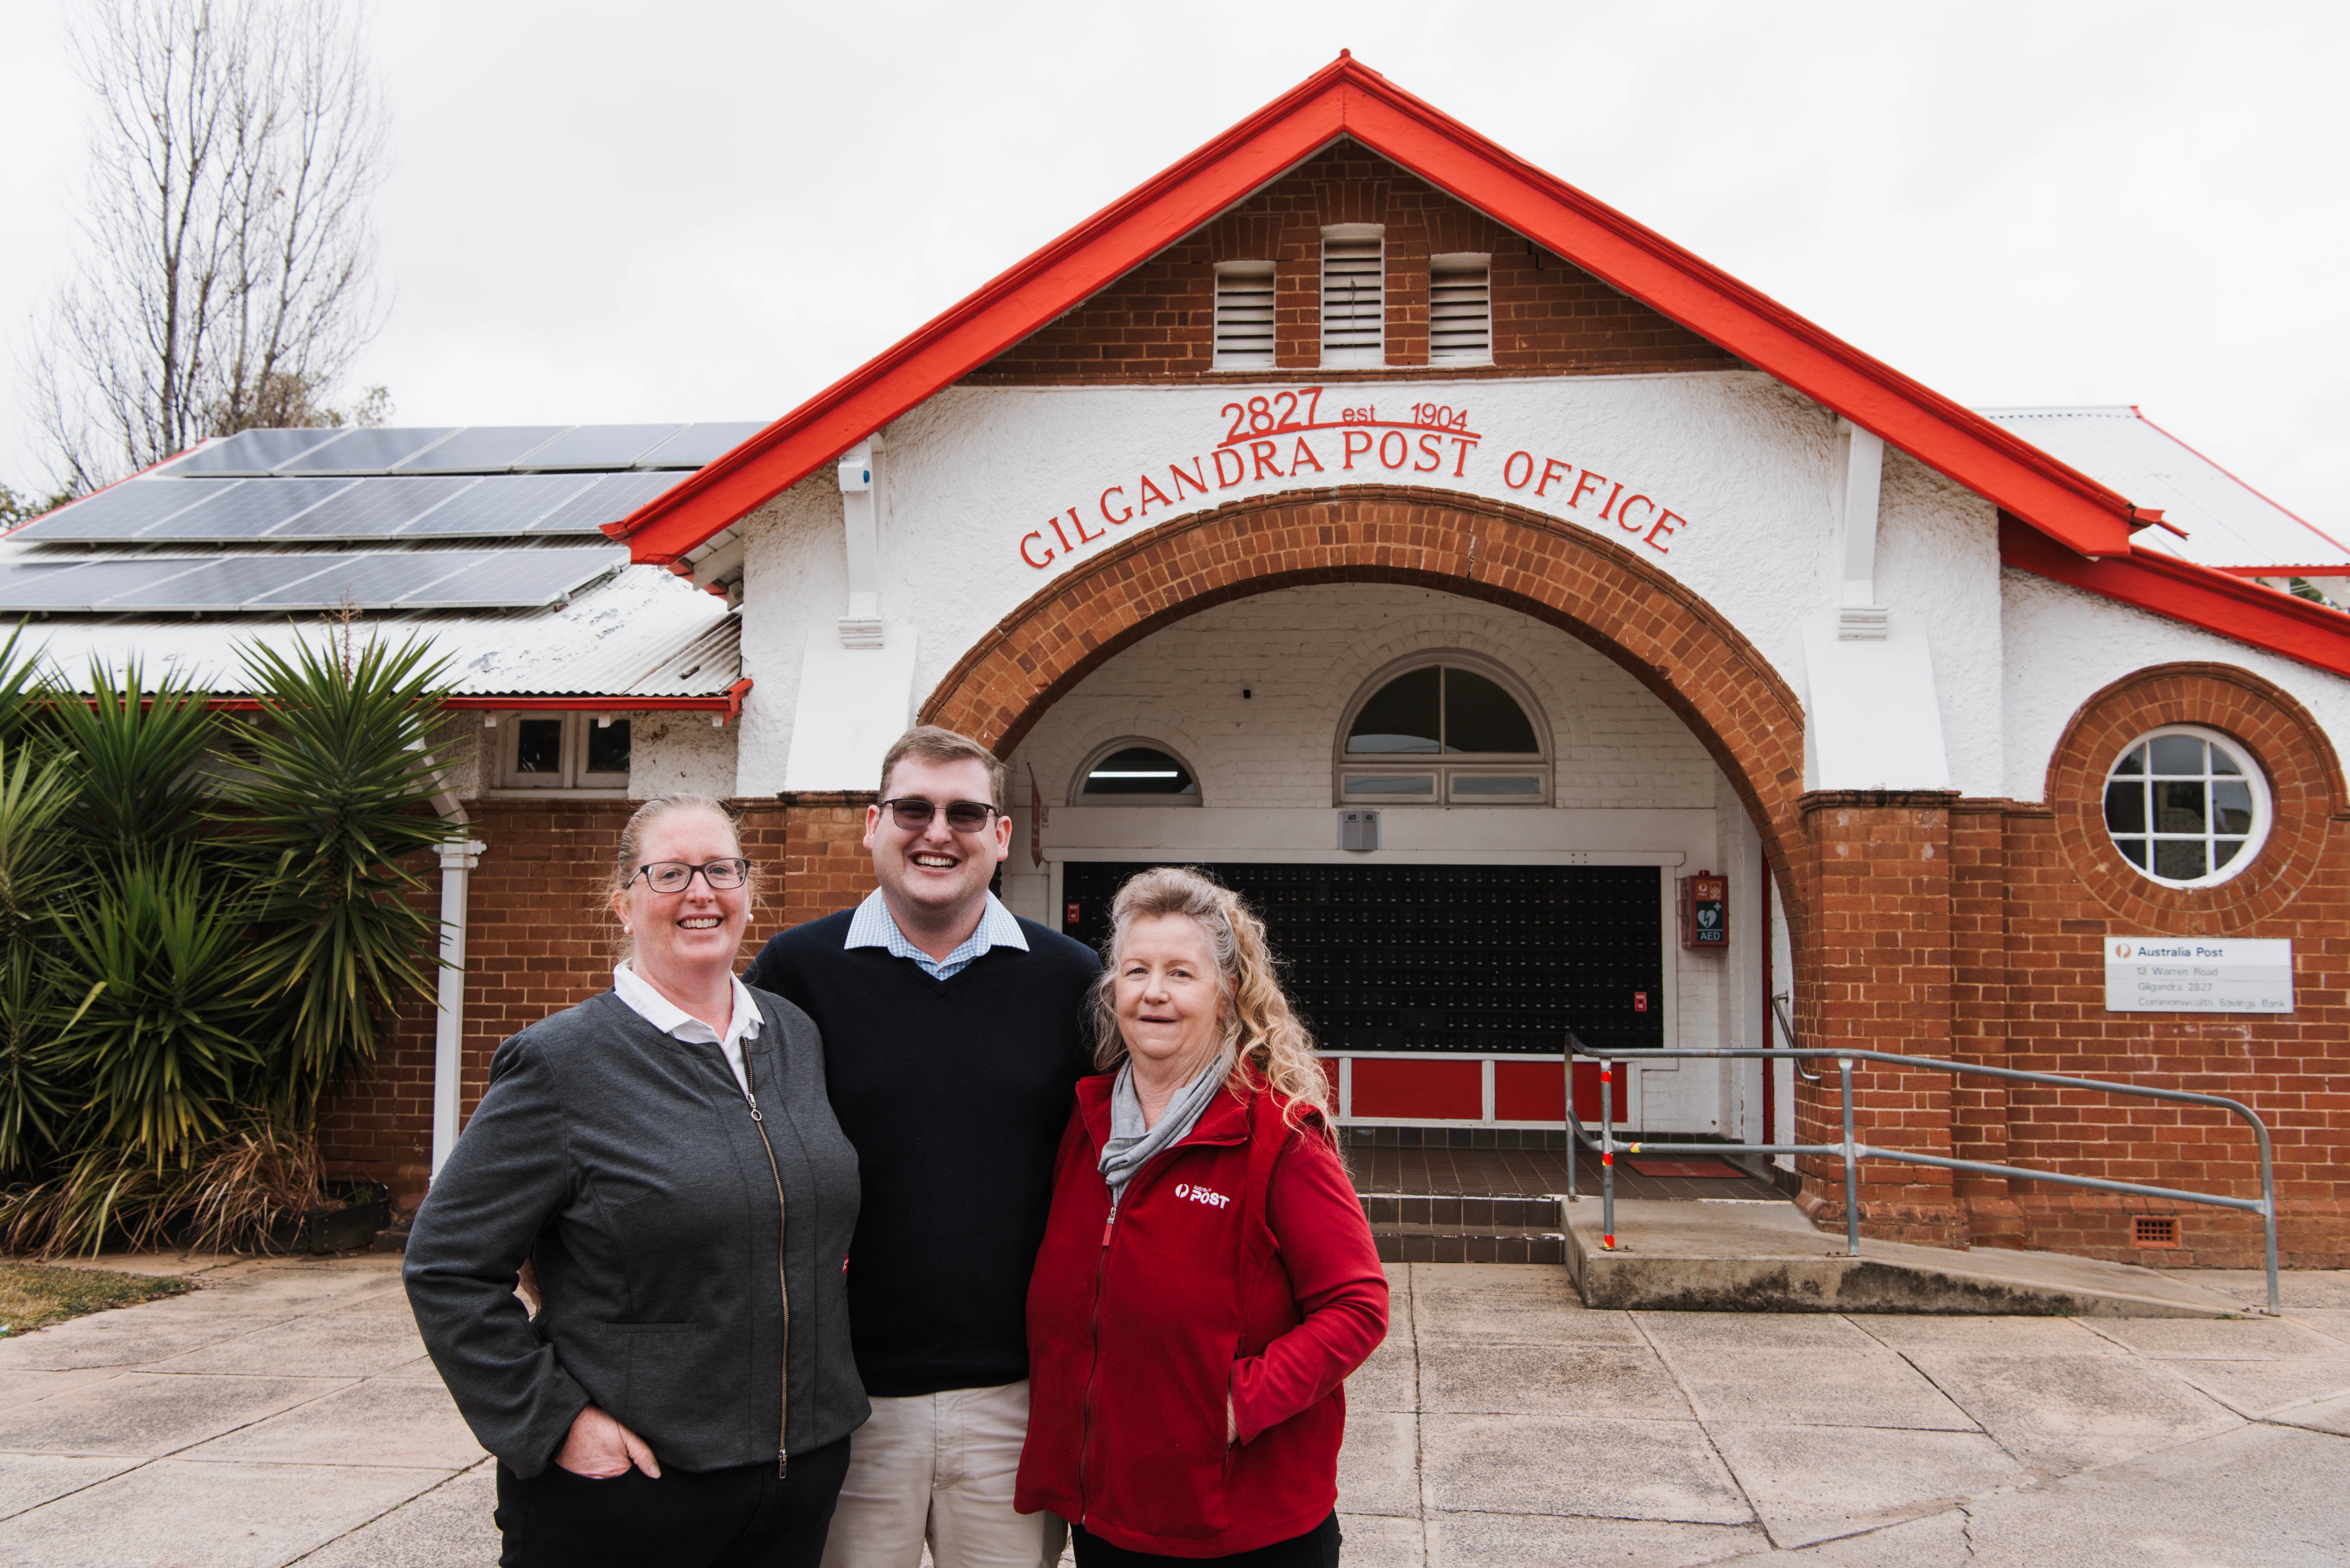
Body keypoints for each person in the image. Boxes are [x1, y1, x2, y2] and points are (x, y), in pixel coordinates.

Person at [406, 794, 867, 1568]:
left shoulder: (791, 1035)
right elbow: (447, 1264)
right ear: (622, 903)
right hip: (631, 1493)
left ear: (747, 890)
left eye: (721, 868)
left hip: (796, 1482)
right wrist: (550, 1421)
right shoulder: (560, 1063)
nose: (700, 891)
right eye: (670, 872)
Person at [745, 726, 1099, 1568]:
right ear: (873, 823)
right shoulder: (795, 973)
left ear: (1001, 836)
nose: (937, 833)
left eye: (966, 813)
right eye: (914, 808)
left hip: (1014, 1400)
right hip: (847, 1400)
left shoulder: (1073, 980)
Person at [1015, 867, 1388, 1565]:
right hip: (1110, 1518)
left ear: (1226, 995)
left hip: (1242, 1528)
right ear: (1112, 991)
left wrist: (1233, 1404)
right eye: (1136, 970)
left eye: (1180, 973)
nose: (1154, 992)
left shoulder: (1277, 1133)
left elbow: (1356, 1304)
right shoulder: (1084, 1121)